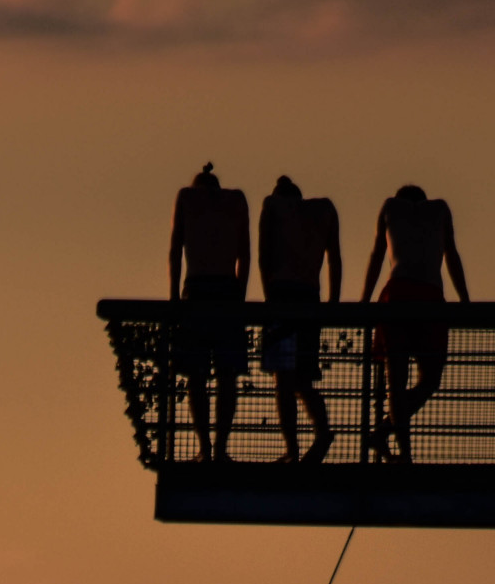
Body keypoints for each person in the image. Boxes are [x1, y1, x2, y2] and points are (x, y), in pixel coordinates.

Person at [360, 184, 468, 462]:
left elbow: (377, 255)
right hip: (429, 296)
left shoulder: (391, 207)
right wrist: (465, 299)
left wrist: (364, 300)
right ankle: (390, 438)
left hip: (398, 295)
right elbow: (451, 254)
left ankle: (394, 440)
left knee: (397, 381)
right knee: (428, 380)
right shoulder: (439, 209)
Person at [169, 163, 251, 464]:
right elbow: (245, 254)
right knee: (226, 374)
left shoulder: (187, 198)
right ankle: (220, 448)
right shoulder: (236, 200)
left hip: (198, 290)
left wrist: (174, 296)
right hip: (228, 290)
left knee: (196, 375)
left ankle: (206, 447)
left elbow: (176, 248)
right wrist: (240, 297)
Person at [259, 176, 341, 465]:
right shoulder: (322, 212)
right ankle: (321, 432)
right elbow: (335, 259)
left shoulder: (273, 207)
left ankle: (293, 449)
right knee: (302, 379)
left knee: (284, 380)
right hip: (310, 297)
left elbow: (263, 257)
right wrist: (333, 302)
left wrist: (269, 299)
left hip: (282, 296)